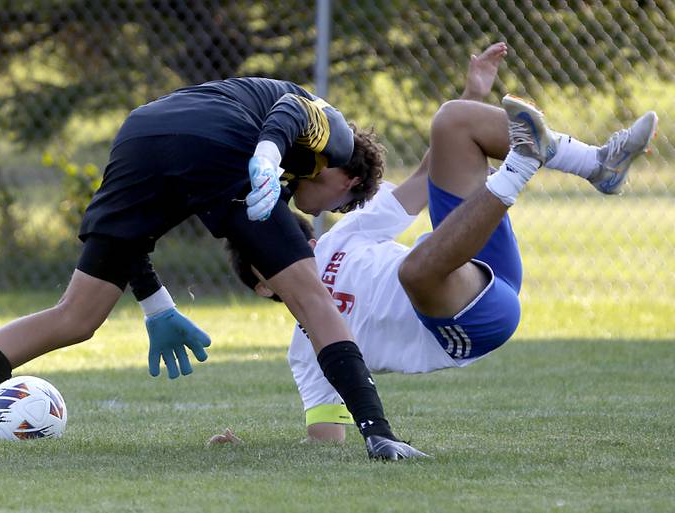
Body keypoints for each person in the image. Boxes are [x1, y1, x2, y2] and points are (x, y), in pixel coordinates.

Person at [0, 77, 415, 461]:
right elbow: (293, 111)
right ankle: (379, 432)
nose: (317, 213)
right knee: (314, 300)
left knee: (77, 314)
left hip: (142, 134)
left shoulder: (269, 155)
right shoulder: (338, 141)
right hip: (224, 143)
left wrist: (156, 304)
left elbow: (141, 230)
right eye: (339, 206)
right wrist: (267, 154)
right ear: (349, 180)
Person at [227, 46, 657, 449]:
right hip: (469, 323)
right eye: (267, 257)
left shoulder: (343, 236)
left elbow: (420, 182)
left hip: (481, 264)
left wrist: (472, 96)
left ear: (313, 241)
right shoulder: (307, 346)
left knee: (452, 121)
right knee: (412, 271)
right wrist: (240, 450)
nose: (283, 253)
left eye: (289, 241)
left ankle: (598, 164)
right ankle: (520, 167)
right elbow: (326, 437)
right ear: (263, 287)